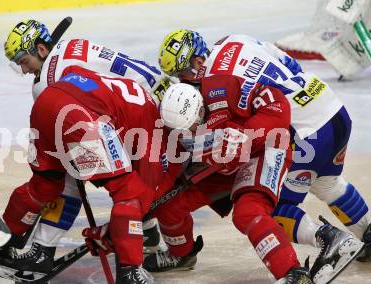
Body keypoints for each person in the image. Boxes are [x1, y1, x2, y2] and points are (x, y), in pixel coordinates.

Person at [156, 29, 369, 279]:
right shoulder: (233, 40)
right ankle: (368, 232)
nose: (181, 80)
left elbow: (244, 131)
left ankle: (331, 241)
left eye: (182, 73)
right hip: (329, 107)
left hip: (305, 132)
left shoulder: (216, 85)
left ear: (198, 62)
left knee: (264, 207)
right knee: (327, 182)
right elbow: (288, 62)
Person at [0, 19, 170, 278]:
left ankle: (42, 248)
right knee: (128, 182)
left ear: (42, 49)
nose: (25, 71)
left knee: (69, 181)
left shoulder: (47, 81)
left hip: (140, 114)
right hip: (148, 96)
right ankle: (144, 231)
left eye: (25, 61)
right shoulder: (72, 46)